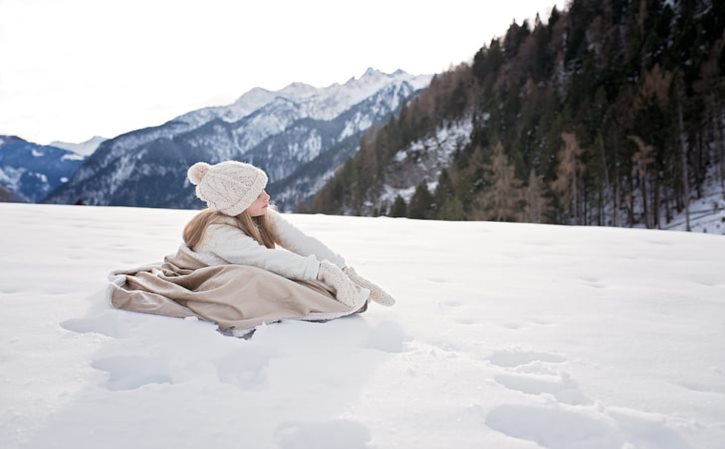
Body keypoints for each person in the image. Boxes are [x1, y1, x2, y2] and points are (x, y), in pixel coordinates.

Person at [182, 160, 396, 310]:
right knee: (272, 281)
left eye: (263, 189)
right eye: (257, 195)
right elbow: (263, 259)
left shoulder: (260, 214)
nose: (267, 196)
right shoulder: (217, 233)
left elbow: (298, 241)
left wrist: (342, 269)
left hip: (246, 269)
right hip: (215, 281)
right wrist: (320, 271)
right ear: (239, 204)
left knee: (299, 276)